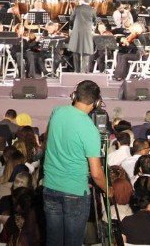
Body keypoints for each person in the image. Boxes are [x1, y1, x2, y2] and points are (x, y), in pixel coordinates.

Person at [43, 80, 110, 246]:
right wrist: (109, 190)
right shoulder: (90, 129)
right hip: (75, 193)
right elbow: (96, 173)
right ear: (97, 103)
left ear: (74, 96)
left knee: (53, 241)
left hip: (50, 187)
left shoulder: (57, 112)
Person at [68, 0, 96, 72]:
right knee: (86, 52)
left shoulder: (77, 8)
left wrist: (71, 28)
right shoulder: (92, 10)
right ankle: (83, 71)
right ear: (90, 1)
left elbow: (71, 18)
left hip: (77, 32)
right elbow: (95, 21)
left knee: (76, 51)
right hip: (87, 33)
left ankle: (76, 71)